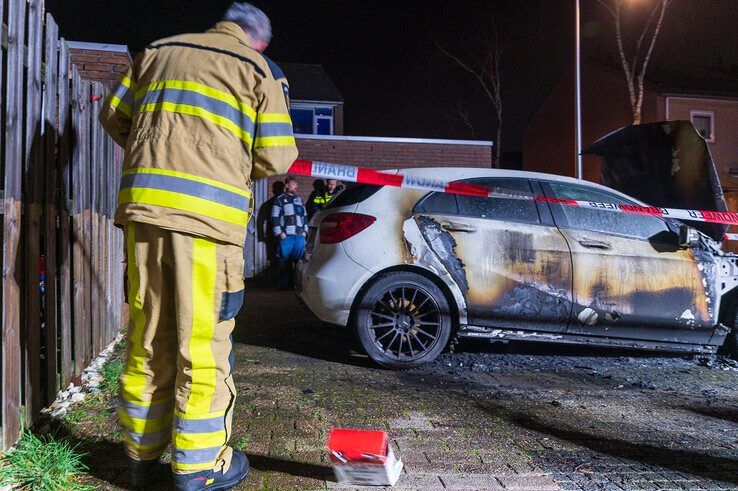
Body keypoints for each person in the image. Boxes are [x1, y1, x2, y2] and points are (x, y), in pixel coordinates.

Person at [99, 3, 298, 490]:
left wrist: (162, 154)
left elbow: (113, 117)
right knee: (202, 346)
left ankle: (141, 459)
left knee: (149, 337)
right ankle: (199, 467)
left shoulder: (157, 52)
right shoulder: (257, 69)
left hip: (145, 216)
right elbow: (276, 158)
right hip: (208, 225)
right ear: (261, 41)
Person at [271, 176, 308, 290]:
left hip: (299, 236)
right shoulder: (279, 199)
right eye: (293, 184)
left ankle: (296, 286)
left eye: (296, 184)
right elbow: (274, 216)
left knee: (298, 262)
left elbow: (304, 216)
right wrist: (280, 233)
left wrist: (305, 232)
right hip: (286, 236)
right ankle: (282, 286)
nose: (296, 186)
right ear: (286, 185)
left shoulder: (299, 199)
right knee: (283, 261)